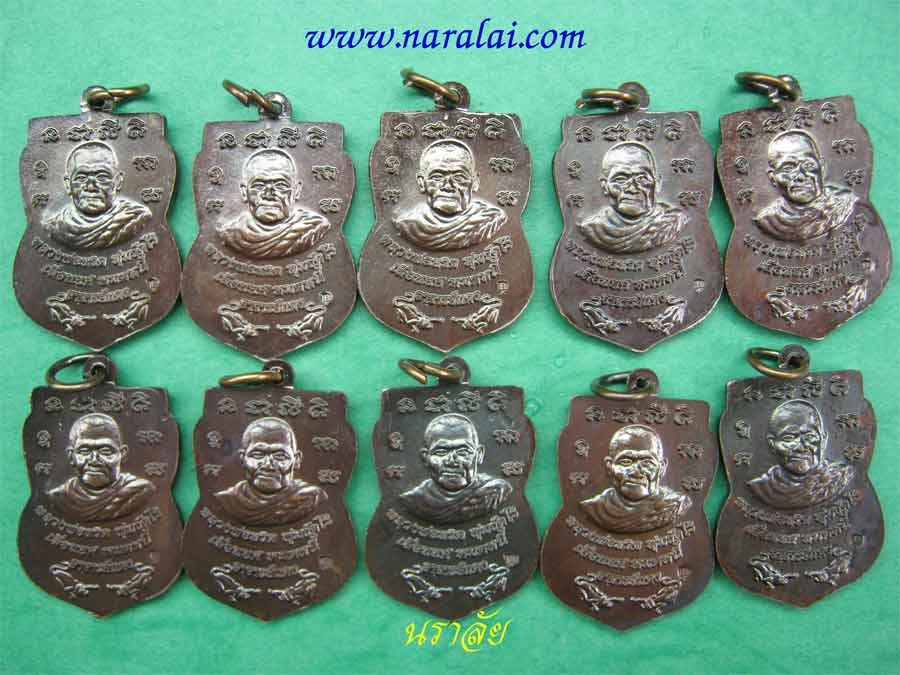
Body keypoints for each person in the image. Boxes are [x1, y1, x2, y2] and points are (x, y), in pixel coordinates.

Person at [393, 139, 507, 251]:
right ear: (422, 183)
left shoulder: (491, 220)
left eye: (459, 177)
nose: (448, 186)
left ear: (475, 183)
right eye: (437, 177)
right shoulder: (408, 224)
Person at [217, 148, 331, 259]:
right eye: (259, 185)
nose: (268, 194)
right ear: (244, 192)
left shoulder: (313, 228)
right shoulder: (231, 234)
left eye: (280, 185)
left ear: (297, 191)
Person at [399, 413, 512, 524]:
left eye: (463, 452)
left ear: (479, 455)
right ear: (425, 457)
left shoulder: (495, 491)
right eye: (441, 452)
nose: (452, 461)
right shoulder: (414, 500)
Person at [215, 417, 326, 526]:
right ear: (242, 459)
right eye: (258, 455)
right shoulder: (228, 501)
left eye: (280, 456)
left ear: (297, 460)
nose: (268, 465)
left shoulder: (311, 497)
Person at [579, 142, 687, 253]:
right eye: (621, 179)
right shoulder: (593, 229)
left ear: (657, 184)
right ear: (605, 186)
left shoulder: (672, 222)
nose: (632, 188)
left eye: (642, 178)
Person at [580, 424, 690, 533]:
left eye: (647, 462)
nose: (636, 472)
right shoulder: (595, 508)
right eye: (626, 462)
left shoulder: (674, 505)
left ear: (661, 468)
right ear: (609, 466)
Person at [46, 413, 155, 522]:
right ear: (71, 456)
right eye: (84, 451)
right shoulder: (59, 498)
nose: (94, 460)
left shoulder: (140, 491)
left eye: (105, 451)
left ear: (122, 454)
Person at [43, 141, 151, 249]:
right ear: (68, 185)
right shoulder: (55, 227)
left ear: (117, 181)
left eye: (102, 177)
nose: (91, 187)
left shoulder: (136, 219)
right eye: (81, 178)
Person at [747, 400, 853, 509]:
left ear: (823, 440)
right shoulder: (762, 488)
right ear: (772, 444)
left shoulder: (838, 478)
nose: (801, 447)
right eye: (789, 438)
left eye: (810, 437)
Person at [754, 130, 858, 241]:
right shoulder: (768, 221)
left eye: (808, 165)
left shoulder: (844, 204)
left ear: (822, 168)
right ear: (772, 178)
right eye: (788, 168)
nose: (801, 176)